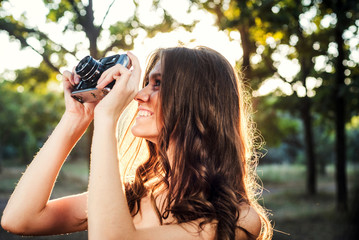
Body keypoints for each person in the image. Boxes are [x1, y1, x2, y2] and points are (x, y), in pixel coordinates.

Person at [1, 46, 272, 240]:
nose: (139, 95)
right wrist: (75, 119)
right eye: (146, 83)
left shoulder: (237, 220)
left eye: (158, 84)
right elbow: (19, 218)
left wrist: (106, 121)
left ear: (197, 103)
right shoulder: (134, 197)